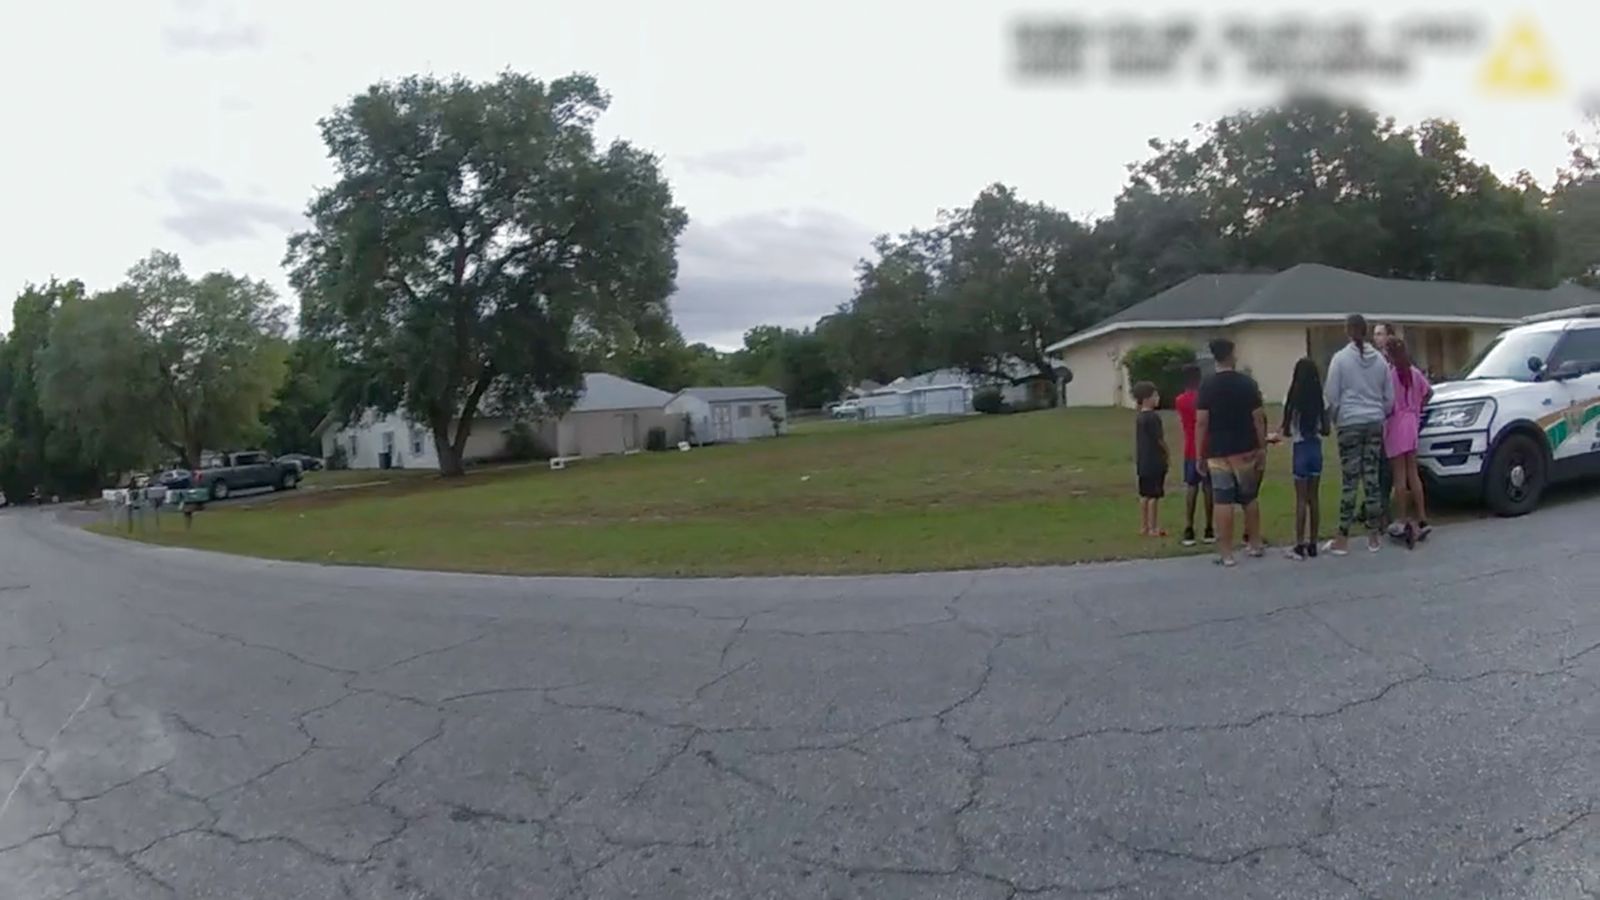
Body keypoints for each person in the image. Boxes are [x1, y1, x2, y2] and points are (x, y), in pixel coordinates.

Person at [1323, 314, 1394, 556]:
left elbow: (1332, 395)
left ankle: (1342, 536)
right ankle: (1373, 536)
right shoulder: (1381, 362)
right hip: (1374, 420)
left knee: (1350, 480)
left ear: (1347, 331)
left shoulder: (1340, 360)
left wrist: (1337, 419)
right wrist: (1378, 413)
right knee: (1372, 478)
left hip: (1350, 421)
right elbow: (1389, 398)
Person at [1195, 338, 1267, 567]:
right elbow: (1258, 418)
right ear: (1230, 355)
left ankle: (1226, 553)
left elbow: (1202, 422)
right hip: (1244, 447)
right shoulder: (1247, 383)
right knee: (1249, 497)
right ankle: (1254, 543)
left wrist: (1199, 453)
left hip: (1217, 449)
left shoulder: (1207, 385)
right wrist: (1262, 446)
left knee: (1222, 499)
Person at [1280, 358, 1331, 561]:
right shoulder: (1321, 399)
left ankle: (1299, 543)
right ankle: (1313, 543)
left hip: (1300, 448)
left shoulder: (1291, 398)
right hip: (1315, 448)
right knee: (1314, 498)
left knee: (1300, 499)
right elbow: (1326, 430)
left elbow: (1286, 430)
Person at [1384, 337, 1433, 547]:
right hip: (1412, 422)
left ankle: (1403, 518)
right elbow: (1429, 392)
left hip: (1396, 423)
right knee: (1413, 472)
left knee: (1399, 475)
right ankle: (1422, 516)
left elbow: (1385, 401)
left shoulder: (1390, 375)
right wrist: (1418, 407)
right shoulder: (1414, 373)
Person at [1173, 364, 1215, 546]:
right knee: (1209, 488)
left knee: (1191, 487)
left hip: (1190, 448)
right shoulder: (1205, 398)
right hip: (1208, 447)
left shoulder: (1180, 400)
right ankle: (1209, 528)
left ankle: (1189, 527)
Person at [1371, 322, 1399, 537]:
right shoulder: (1375, 360)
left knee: (1389, 468)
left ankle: (1387, 510)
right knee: (1379, 467)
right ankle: (1380, 511)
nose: (1376, 338)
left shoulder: (1397, 361)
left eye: (1380, 334)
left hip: (1395, 420)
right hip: (1378, 419)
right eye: (1375, 334)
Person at [1131, 381, 1168, 537]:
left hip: (1143, 461)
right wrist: (1167, 453)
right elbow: (1159, 439)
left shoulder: (1139, 417)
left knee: (1144, 495)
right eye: (1155, 395)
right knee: (1154, 496)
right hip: (1154, 461)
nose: (1158, 398)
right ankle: (1153, 528)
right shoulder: (1153, 418)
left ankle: (1144, 526)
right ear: (1146, 398)